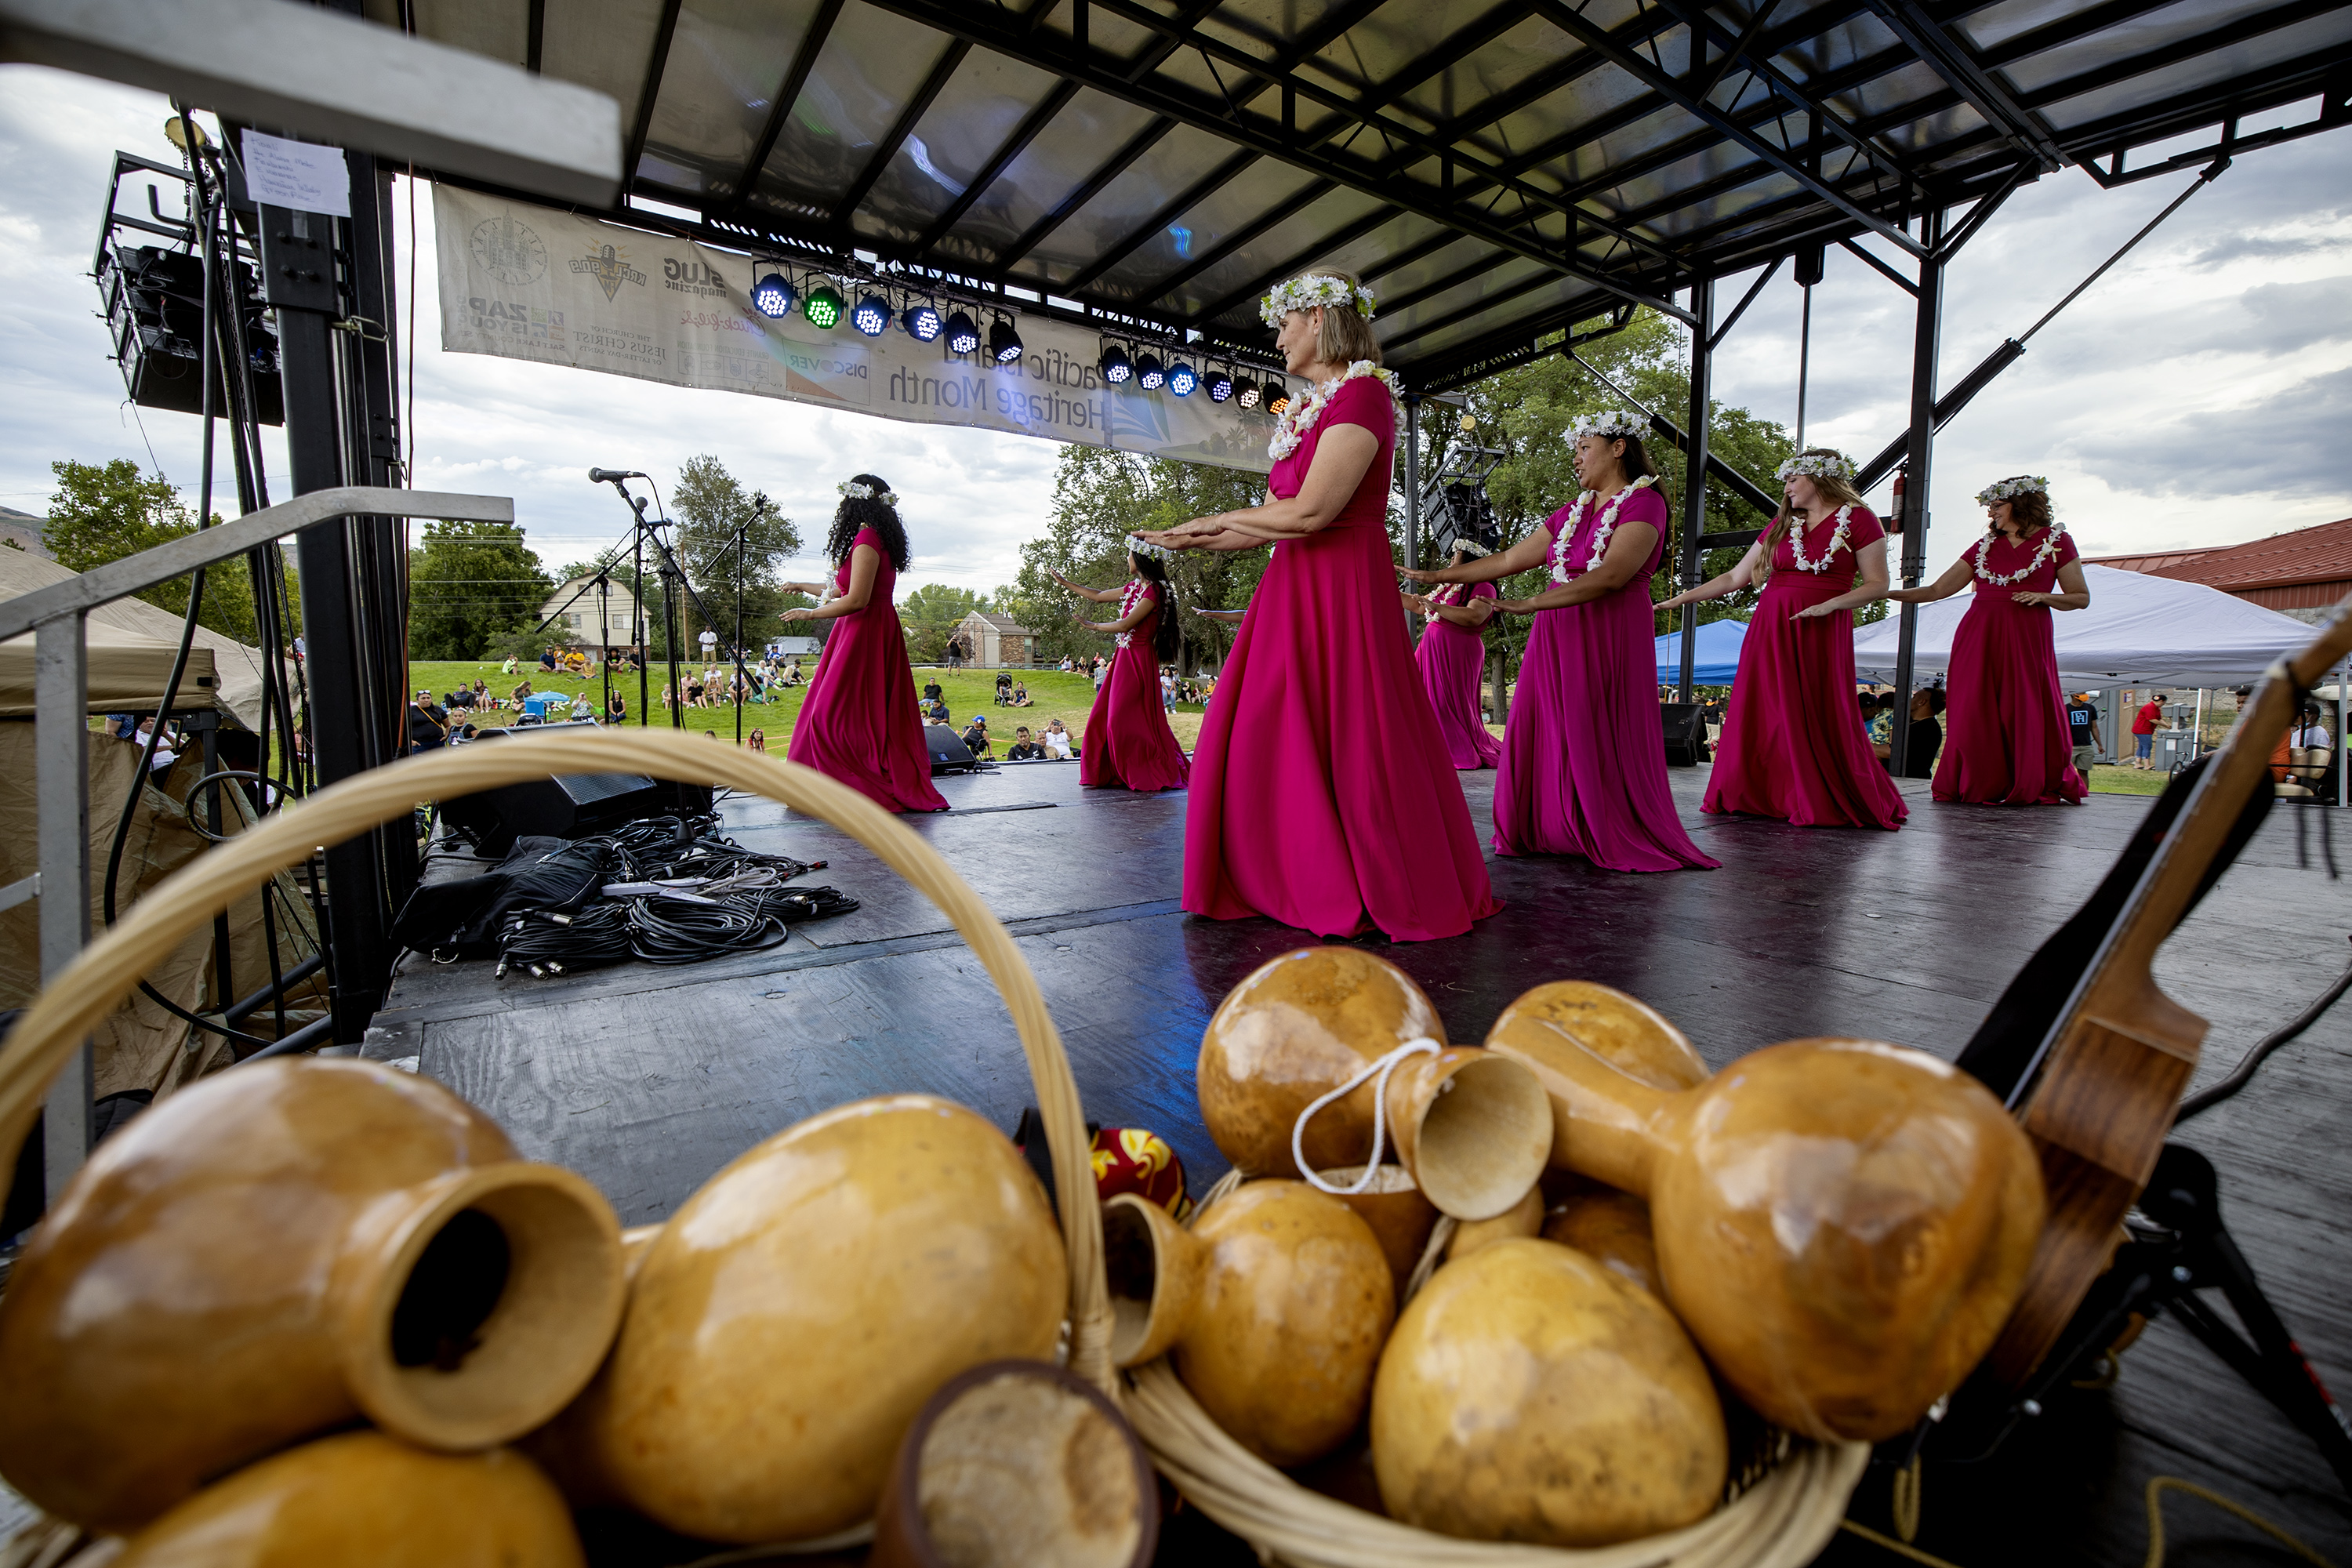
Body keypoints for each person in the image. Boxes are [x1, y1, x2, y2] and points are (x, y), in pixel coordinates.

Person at [1143, 268, 1497, 940]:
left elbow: (1313, 513)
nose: (1277, 341)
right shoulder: (1310, 408)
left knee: (1351, 734)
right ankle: (1279, 872)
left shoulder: (1364, 396)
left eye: (1282, 324)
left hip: (1341, 585)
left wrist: (1218, 516)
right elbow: (1270, 521)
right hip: (1293, 584)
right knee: (1255, 728)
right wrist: (1197, 537)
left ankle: (1354, 879)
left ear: (1316, 320)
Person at [1406, 411, 1715, 872]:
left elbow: (1612, 575)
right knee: (1549, 720)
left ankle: (1603, 822)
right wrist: (1441, 575)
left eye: (1583, 447)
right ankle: (1549, 824)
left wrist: (1533, 603)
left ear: (1618, 448)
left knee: (1595, 721)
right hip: (1558, 627)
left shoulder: (1643, 502)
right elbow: (1512, 557)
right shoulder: (1572, 510)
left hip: (1607, 627)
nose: (1576, 458)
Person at [1659, 448, 1906, 831]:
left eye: (1793, 479)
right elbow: (1735, 578)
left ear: (1818, 478)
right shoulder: (1781, 526)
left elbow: (1878, 584)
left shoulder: (1859, 520)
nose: (1786, 487)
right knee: (1767, 705)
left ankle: (1814, 793)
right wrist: (1683, 597)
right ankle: (1763, 792)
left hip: (1823, 626)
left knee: (1814, 705)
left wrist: (1832, 605)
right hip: (1772, 623)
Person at [1886, 475, 2089, 806]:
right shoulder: (1983, 548)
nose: (1990, 514)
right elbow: (1938, 590)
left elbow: (2080, 597)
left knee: (2022, 705)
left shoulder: (2057, 542)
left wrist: (2042, 596)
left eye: (1996, 506)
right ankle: (1980, 779)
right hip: (1979, 633)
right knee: (1972, 706)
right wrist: (1884, 592)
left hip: (2027, 633)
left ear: (2019, 504)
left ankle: (2026, 778)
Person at [779, 476, 949, 812]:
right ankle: (830, 783)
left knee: (827, 715)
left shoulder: (868, 538)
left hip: (865, 632)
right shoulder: (873, 538)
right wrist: (802, 585)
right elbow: (841, 591)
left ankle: (848, 786)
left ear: (855, 502)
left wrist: (810, 615)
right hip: (859, 631)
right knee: (845, 713)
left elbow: (857, 600)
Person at [1052, 543, 1191, 793]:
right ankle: (1109, 772)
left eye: (1129, 554)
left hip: (1139, 660)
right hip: (1124, 658)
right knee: (1102, 716)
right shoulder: (1136, 588)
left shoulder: (1154, 593)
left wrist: (1094, 626)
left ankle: (1139, 769)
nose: (1127, 558)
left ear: (1140, 558)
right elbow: (1097, 594)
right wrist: (1065, 583)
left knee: (1122, 719)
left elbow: (1125, 624)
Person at [1401, 546, 1503, 771]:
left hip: (1457, 651)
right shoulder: (1452, 585)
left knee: (1445, 702)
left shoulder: (1484, 586)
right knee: (1422, 696)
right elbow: (1420, 605)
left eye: (1456, 557)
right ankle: (1425, 746)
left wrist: (1436, 607)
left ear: (1470, 560)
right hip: (1432, 648)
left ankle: (1448, 748)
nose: (1451, 561)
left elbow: (1474, 616)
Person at [1871, 687, 1946, 778]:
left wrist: (1864, 745)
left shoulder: (1927, 728)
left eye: (1914, 697)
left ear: (1922, 702)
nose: (1909, 700)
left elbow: (1894, 752)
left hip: (1910, 782)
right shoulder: (1910, 723)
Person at [2066, 692, 2103, 779]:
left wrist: (2099, 744)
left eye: (2084, 693)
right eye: (2081, 693)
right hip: (2071, 746)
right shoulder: (2065, 709)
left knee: (2084, 772)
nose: (2084, 694)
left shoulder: (2090, 708)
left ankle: (2084, 792)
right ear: (2073, 695)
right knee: (2067, 772)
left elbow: (2094, 727)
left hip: (2086, 746)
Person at [2132, 692, 2166, 769]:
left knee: (2141, 746)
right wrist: (2164, 725)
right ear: (2161, 701)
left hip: (2144, 730)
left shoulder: (2156, 708)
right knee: (2147, 746)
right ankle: (2147, 765)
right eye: (2164, 703)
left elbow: (2159, 718)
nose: (2163, 704)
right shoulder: (2150, 707)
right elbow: (2152, 719)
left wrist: (2167, 725)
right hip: (2143, 730)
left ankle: (2138, 763)